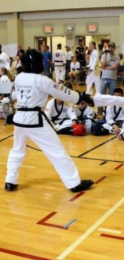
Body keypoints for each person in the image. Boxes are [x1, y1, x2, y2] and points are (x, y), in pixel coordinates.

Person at [5, 49, 94, 192]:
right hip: (34, 120)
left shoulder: (19, 77)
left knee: (17, 150)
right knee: (56, 151)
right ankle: (74, 183)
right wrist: (81, 96)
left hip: (19, 119)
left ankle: (10, 180)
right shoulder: (42, 80)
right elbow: (63, 92)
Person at [99, 41, 120, 111]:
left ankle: (110, 108)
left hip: (113, 78)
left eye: (112, 47)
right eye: (109, 47)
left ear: (114, 48)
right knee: (102, 93)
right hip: (104, 77)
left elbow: (115, 66)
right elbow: (103, 65)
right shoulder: (103, 56)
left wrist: (106, 68)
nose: (110, 48)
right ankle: (100, 108)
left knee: (112, 94)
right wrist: (105, 54)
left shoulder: (117, 57)